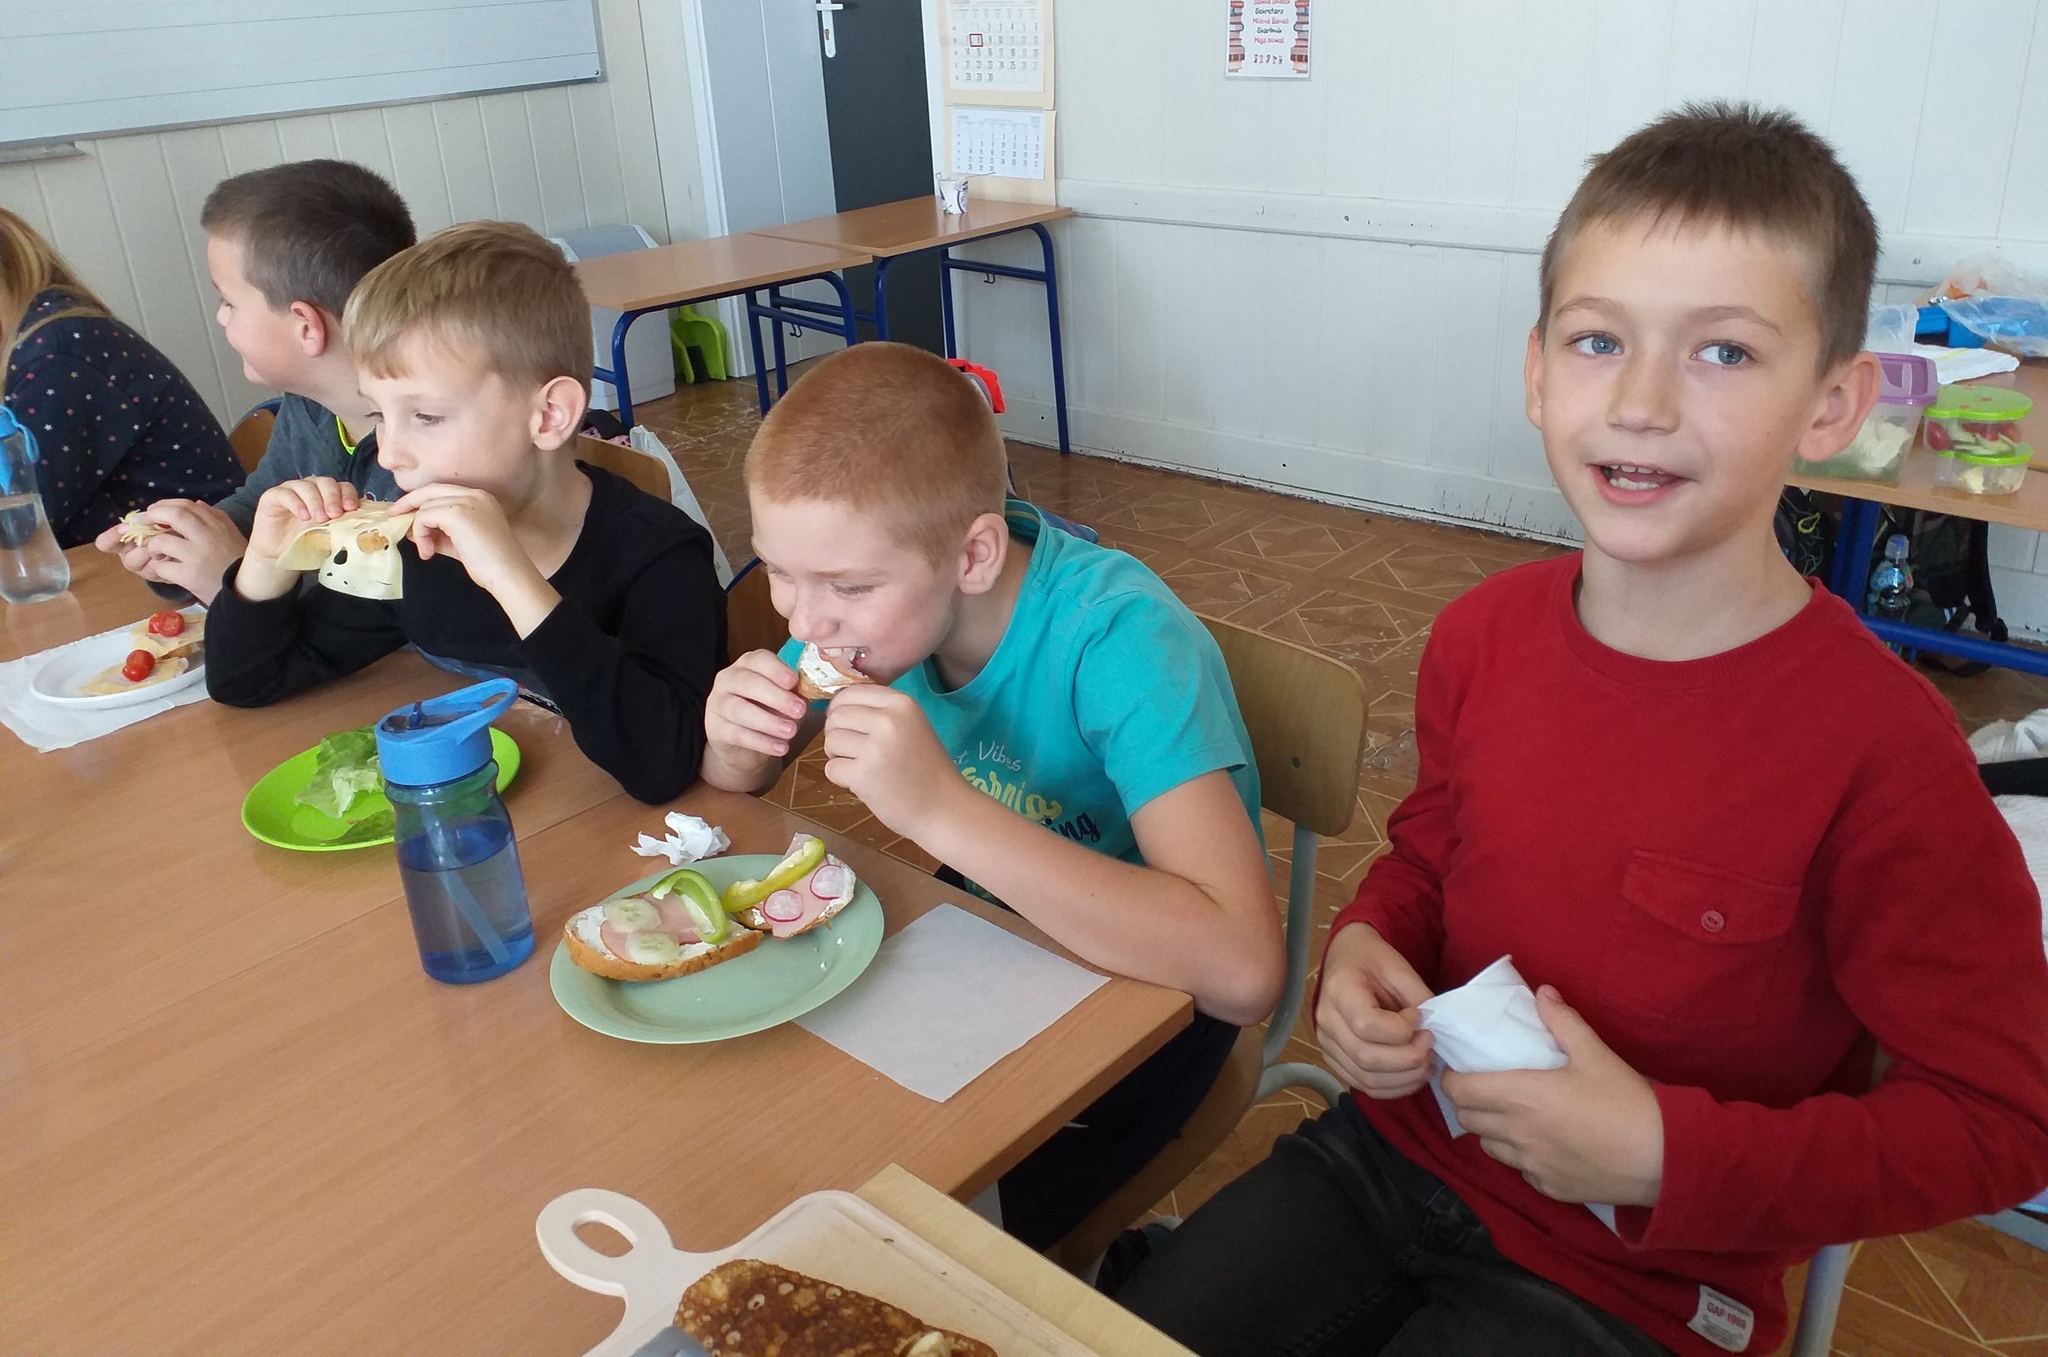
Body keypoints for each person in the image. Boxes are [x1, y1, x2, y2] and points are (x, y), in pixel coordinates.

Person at [1111, 102, 2048, 1357]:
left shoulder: (1881, 751)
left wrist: (1667, 1153)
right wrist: (1365, 942)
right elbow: (1431, 855)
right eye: (1598, 340)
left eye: (1722, 352)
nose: (1641, 402)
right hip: (1388, 1158)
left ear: (1830, 407)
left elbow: (2001, 1119)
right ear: (1537, 374)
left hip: (1640, 1280)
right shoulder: (1481, 638)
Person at [699, 341, 1284, 1248]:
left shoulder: (1119, 641)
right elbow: (737, 784)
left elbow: (1242, 973)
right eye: (778, 570)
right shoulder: (879, 608)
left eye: (847, 586)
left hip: (1152, 1009)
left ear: (972, 554)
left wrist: (939, 810)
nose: (804, 620)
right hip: (984, 946)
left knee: (920, 1244)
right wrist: (734, 740)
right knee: (782, 1134)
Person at [205, 221, 723, 805]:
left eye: (425, 417)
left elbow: (663, 765)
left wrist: (510, 577)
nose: (389, 454)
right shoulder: (414, 554)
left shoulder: (658, 554)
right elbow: (245, 681)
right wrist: (266, 564)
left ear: (550, 416)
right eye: (378, 416)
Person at [94, 159, 415, 602]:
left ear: (306, 327)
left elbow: (374, 612)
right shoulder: (308, 405)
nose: (220, 317)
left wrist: (232, 582)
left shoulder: (429, 446)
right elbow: (258, 508)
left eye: (229, 301)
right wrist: (179, 544)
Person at [0, 207, 240, 546]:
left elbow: (18, 523)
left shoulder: (57, 352)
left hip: (189, 558)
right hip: (137, 554)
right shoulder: (44, 336)